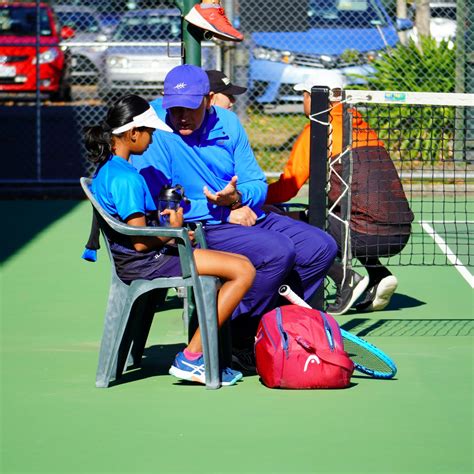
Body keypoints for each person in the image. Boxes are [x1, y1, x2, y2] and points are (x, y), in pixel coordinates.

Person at [131, 65, 337, 372]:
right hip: (200, 226)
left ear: (209, 99)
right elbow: (161, 204)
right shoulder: (155, 132)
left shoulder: (228, 122)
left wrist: (237, 199)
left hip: (242, 213)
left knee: (320, 246)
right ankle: (237, 335)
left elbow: (256, 184)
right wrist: (221, 209)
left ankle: (260, 327)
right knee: (278, 251)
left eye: (189, 108)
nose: (181, 117)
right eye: (175, 108)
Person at [84, 93, 256, 386]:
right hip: (145, 262)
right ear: (133, 133)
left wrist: (172, 232)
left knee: (240, 262)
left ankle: (205, 355)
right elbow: (138, 239)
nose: (151, 140)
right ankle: (192, 357)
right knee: (244, 271)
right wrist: (172, 231)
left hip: (146, 257)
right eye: (149, 132)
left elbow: (137, 232)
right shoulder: (126, 177)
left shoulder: (112, 170)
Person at [266, 80, 414, 315]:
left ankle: (346, 279)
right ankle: (377, 274)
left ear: (314, 97)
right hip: (399, 232)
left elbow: (288, 188)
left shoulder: (319, 127)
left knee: (290, 225)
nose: (303, 101)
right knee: (344, 213)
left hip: (363, 234)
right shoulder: (359, 123)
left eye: (304, 95)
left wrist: (255, 197)